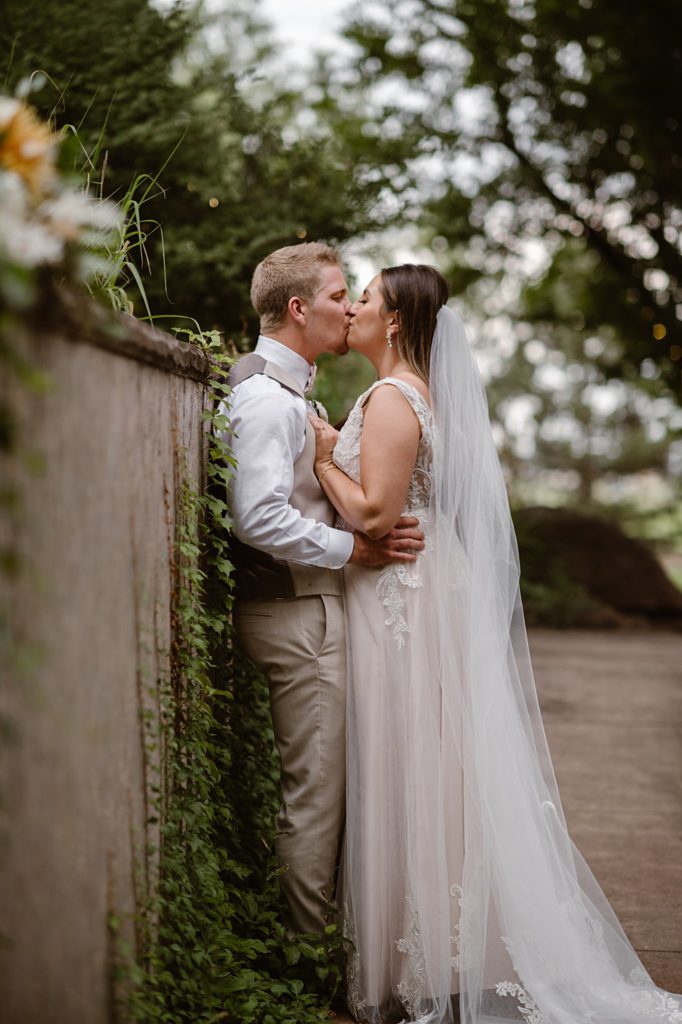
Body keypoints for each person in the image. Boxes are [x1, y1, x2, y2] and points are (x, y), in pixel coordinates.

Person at [309, 264, 682, 1024]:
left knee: (412, 762)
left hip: (402, 594)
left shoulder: (391, 398)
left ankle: (427, 959)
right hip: (413, 587)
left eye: (366, 299)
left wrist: (322, 460)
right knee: (431, 765)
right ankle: (435, 951)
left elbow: (376, 515)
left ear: (395, 321)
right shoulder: (410, 392)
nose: (352, 310)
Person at [223, 242, 425, 936]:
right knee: (316, 795)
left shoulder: (290, 394)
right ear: (299, 308)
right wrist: (354, 549)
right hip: (298, 612)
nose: (349, 308)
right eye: (340, 296)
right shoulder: (265, 400)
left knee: (327, 789)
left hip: (313, 606)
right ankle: (308, 954)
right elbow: (257, 517)